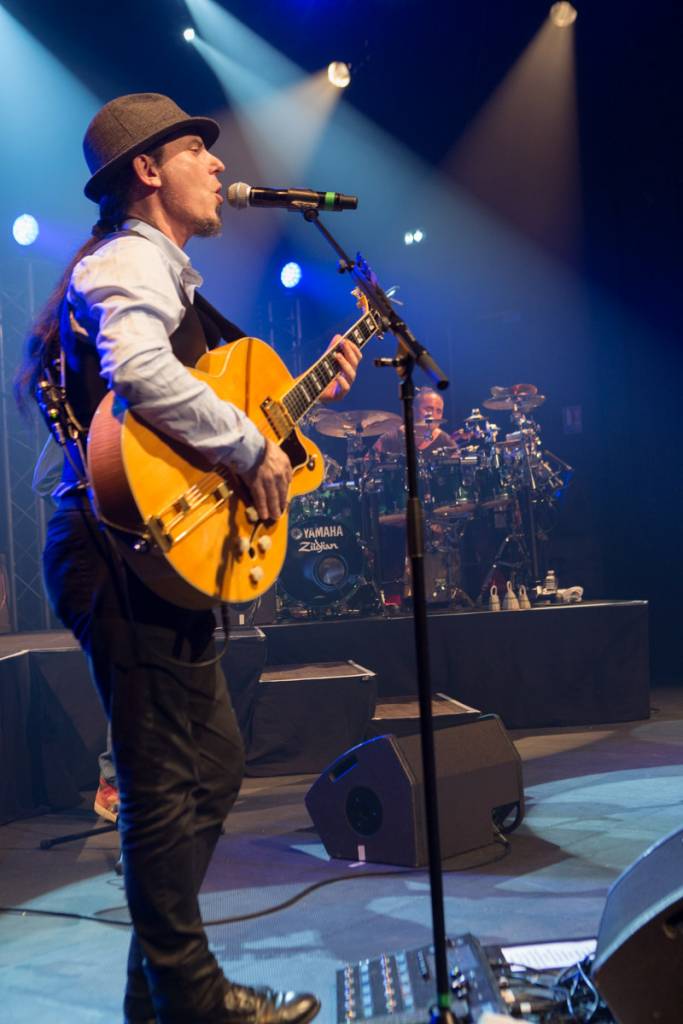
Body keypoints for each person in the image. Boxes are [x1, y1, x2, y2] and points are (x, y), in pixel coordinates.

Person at [16, 93, 361, 1024]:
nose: (216, 165)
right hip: (117, 550)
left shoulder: (160, 270)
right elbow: (140, 372)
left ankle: (159, 990)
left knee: (209, 765)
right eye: (193, 151)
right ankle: (186, 994)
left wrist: (289, 412)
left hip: (148, 548)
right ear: (146, 170)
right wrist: (248, 448)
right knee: (166, 776)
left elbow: (198, 407)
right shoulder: (129, 257)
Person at [372, 387, 456, 456]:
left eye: (439, 411)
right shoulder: (390, 438)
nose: (433, 415)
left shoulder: (447, 442)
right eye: (428, 409)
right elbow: (369, 463)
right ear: (413, 411)